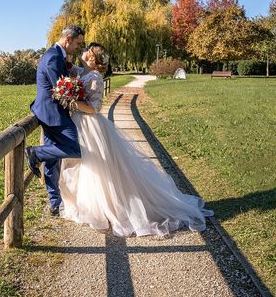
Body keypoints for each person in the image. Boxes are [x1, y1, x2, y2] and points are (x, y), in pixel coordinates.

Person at [58, 43, 213, 237]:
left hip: (91, 126)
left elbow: (95, 107)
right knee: (84, 165)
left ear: (92, 58)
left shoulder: (95, 77)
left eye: (87, 50)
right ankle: (86, 204)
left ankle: (104, 208)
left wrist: (73, 102)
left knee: (96, 166)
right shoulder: (82, 71)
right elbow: (68, 68)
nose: (84, 50)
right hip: (80, 124)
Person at [26, 25, 85, 215]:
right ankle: (35, 153)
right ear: (68, 39)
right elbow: (59, 88)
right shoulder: (53, 57)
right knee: (75, 149)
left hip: (52, 112)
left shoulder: (59, 55)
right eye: (78, 43)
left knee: (53, 159)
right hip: (52, 112)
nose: (78, 47)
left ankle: (54, 203)